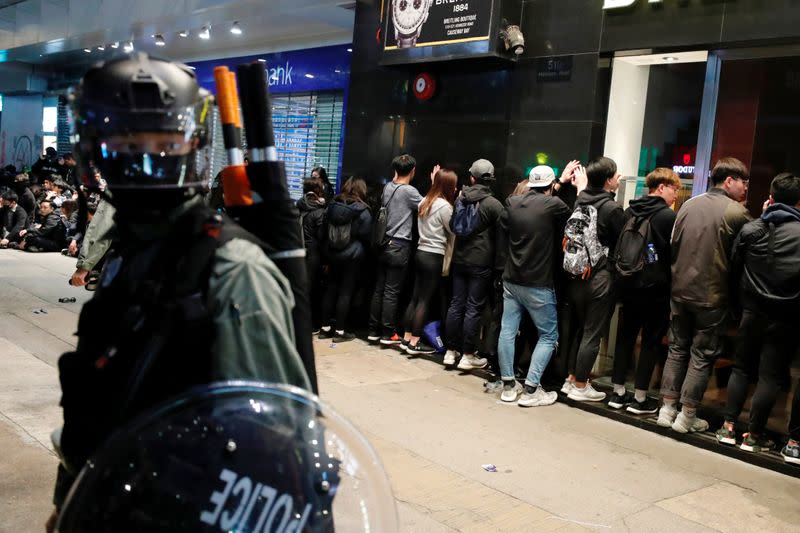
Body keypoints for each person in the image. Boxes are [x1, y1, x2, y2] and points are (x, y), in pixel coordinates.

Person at [46, 54, 311, 530]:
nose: (146, 156)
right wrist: (71, 503)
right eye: (126, 140)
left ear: (192, 141)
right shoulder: (133, 250)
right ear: (94, 147)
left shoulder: (232, 270)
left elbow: (277, 449)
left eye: (164, 140)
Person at [657, 157, 751, 433]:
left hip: (680, 290)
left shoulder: (688, 204)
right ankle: (687, 416)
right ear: (729, 181)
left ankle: (667, 409)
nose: (745, 188)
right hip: (712, 295)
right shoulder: (736, 212)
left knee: (676, 349)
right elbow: (743, 258)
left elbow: (674, 245)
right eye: (743, 182)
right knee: (701, 354)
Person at [715, 173, 800, 452]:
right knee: (770, 376)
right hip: (786, 315)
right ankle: (753, 436)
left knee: (741, 368)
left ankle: (728, 428)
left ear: (771, 198)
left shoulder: (753, 229)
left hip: (751, 311)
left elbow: (734, 267)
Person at [497, 165, 578, 406]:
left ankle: (509, 386)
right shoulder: (552, 205)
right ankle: (532, 390)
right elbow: (571, 217)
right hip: (538, 283)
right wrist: (571, 187)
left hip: (511, 280)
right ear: (550, 186)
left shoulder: (511, 202)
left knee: (507, 331)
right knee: (548, 335)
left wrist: (557, 183)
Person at [607, 168, 679, 414]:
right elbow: (670, 254)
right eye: (673, 189)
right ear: (661, 187)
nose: (675, 195)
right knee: (650, 341)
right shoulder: (667, 217)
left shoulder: (630, 210)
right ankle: (639, 398)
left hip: (628, 283)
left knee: (626, 337)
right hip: (654, 288)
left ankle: (617, 392)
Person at [563, 157, 626, 402]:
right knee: (592, 332)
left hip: (577, 273)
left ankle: (571, 378)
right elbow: (621, 242)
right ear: (609, 180)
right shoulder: (611, 208)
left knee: (580, 329)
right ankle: (581, 385)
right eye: (616, 175)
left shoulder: (580, 201)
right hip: (600, 276)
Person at [443, 159, 504, 369]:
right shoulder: (494, 204)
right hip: (481, 262)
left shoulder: (461, 198)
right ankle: (468, 355)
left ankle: (450, 352)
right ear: (491, 180)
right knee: (474, 308)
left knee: (456, 304)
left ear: (471, 177)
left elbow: (453, 225)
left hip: (459, 259)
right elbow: (501, 237)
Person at [369, 154, 423, 345]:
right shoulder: (409, 191)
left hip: (383, 243)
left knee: (379, 290)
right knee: (391, 291)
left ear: (395, 170)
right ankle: (388, 333)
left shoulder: (388, 187)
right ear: (413, 171)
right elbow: (427, 207)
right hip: (399, 245)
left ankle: (373, 331)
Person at [402, 167, 457, 355]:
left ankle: (407, 337)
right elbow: (453, 229)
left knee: (415, 297)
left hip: (420, 251)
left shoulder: (425, 201)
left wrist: (435, 181)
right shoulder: (445, 206)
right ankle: (415, 343)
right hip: (434, 255)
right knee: (425, 300)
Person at [319, 177, 373, 342]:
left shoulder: (332, 205)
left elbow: (323, 230)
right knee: (345, 292)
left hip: (332, 254)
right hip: (352, 256)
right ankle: (340, 332)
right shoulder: (363, 210)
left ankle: (325, 328)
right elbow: (366, 234)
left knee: (330, 289)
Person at [297, 178, 327, 331]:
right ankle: (311, 324)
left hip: (298, 250)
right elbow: (321, 236)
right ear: (318, 191)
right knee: (313, 289)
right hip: (314, 253)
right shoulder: (319, 211)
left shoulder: (298, 205)